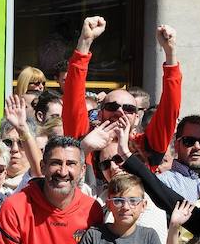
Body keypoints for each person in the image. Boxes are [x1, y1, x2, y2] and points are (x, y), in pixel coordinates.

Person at [62, 16, 182, 170]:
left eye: (129, 109)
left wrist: (170, 53)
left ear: (137, 118)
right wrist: (85, 42)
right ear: (99, 114)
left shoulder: (147, 146)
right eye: (112, 106)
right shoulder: (87, 142)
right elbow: (73, 99)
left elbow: (169, 109)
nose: (120, 111)